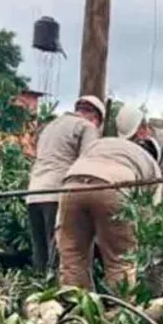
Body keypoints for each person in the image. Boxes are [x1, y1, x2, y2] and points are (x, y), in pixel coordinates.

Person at [57, 103, 160, 292]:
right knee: (120, 260)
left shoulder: (102, 142)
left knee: (72, 257)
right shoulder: (150, 163)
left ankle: (73, 310)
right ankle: (122, 314)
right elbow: (150, 211)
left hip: (71, 184)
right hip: (113, 185)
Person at [26, 96, 104, 272]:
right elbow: (88, 163)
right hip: (58, 194)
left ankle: (37, 293)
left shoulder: (50, 126)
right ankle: (58, 295)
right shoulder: (87, 127)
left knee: (41, 253)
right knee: (61, 253)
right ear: (96, 117)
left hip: (34, 193)